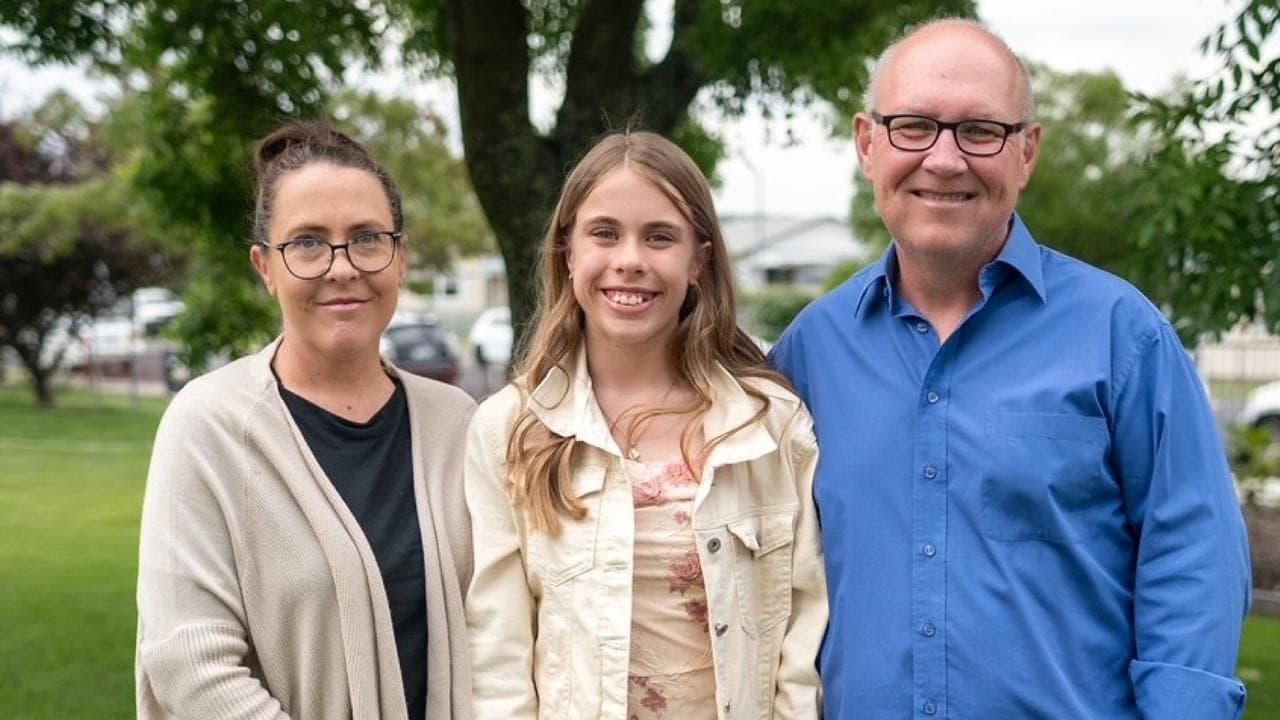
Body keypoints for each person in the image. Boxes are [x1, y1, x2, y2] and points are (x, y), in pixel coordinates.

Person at [771, 18, 1253, 720]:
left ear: (1026, 152)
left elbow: (1194, 559)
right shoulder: (807, 354)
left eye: (979, 131)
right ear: (867, 144)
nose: (943, 159)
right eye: (913, 126)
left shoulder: (1123, 337)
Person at [464, 130, 827, 719]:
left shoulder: (768, 426)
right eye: (604, 233)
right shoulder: (510, 429)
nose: (630, 260)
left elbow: (804, 637)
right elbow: (497, 653)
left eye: (659, 237)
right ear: (569, 252)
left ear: (697, 261)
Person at [136, 121, 476, 720]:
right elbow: (190, 664)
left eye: (367, 238)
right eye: (308, 243)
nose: (341, 267)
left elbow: (504, 624)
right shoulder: (209, 426)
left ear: (400, 259)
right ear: (265, 268)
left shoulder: (458, 424)